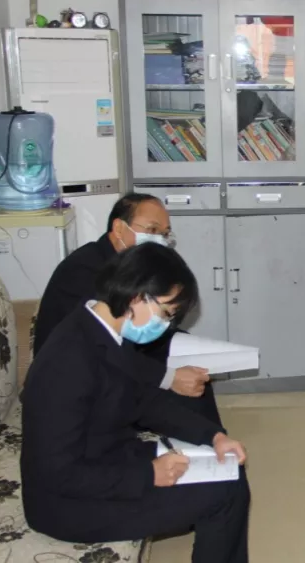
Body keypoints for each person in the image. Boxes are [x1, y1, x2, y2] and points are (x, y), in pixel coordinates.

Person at [21, 243, 250, 563]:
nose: (166, 324)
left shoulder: (106, 332)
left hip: (107, 461)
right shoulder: (68, 361)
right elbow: (58, 473)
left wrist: (213, 437)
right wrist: (148, 475)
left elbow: (144, 401)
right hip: (69, 503)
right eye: (166, 313)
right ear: (138, 296)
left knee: (230, 475)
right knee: (223, 494)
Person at [33, 192, 220, 423]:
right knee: (183, 387)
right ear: (119, 228)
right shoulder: (84, 270)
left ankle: (214, 440)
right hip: (75, 380)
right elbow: (102, 346)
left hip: (112, 358)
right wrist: (167, 377)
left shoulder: (129, 268)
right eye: (152, 230)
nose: (160, 240)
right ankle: (204, 442)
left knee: (191, 367)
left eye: (164, 234)